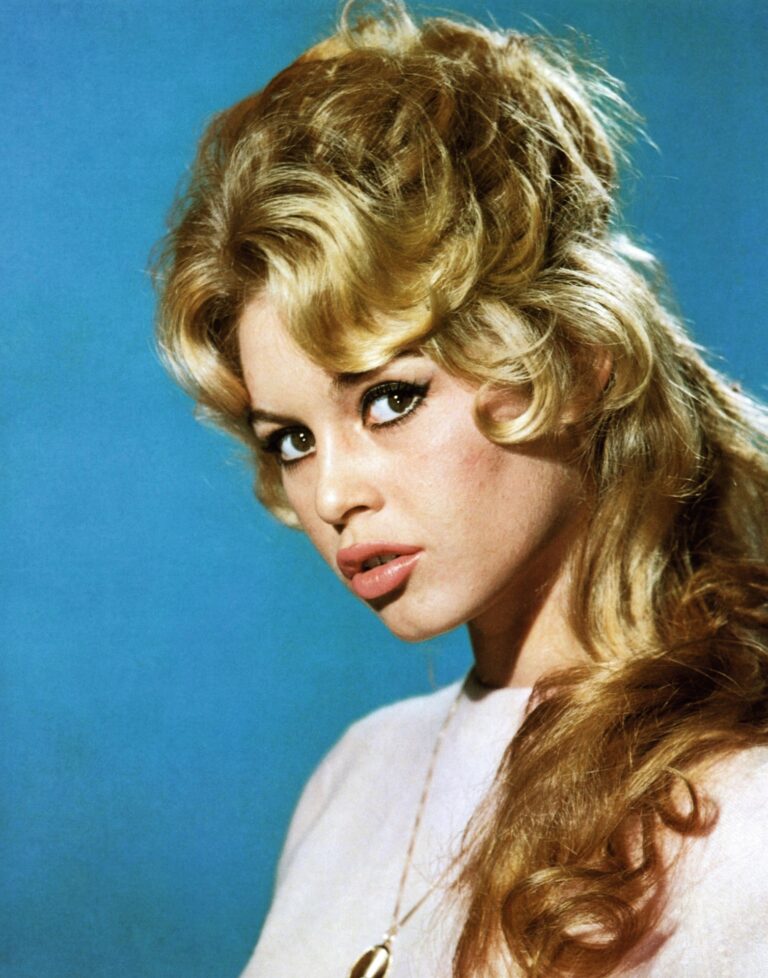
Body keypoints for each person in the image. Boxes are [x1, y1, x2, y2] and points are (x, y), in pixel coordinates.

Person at [154, 1, 768, 975]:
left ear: (579, 359)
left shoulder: (744, 816)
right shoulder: (354, 778)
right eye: (292, 439)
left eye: (390, 399)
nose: (332, 494)